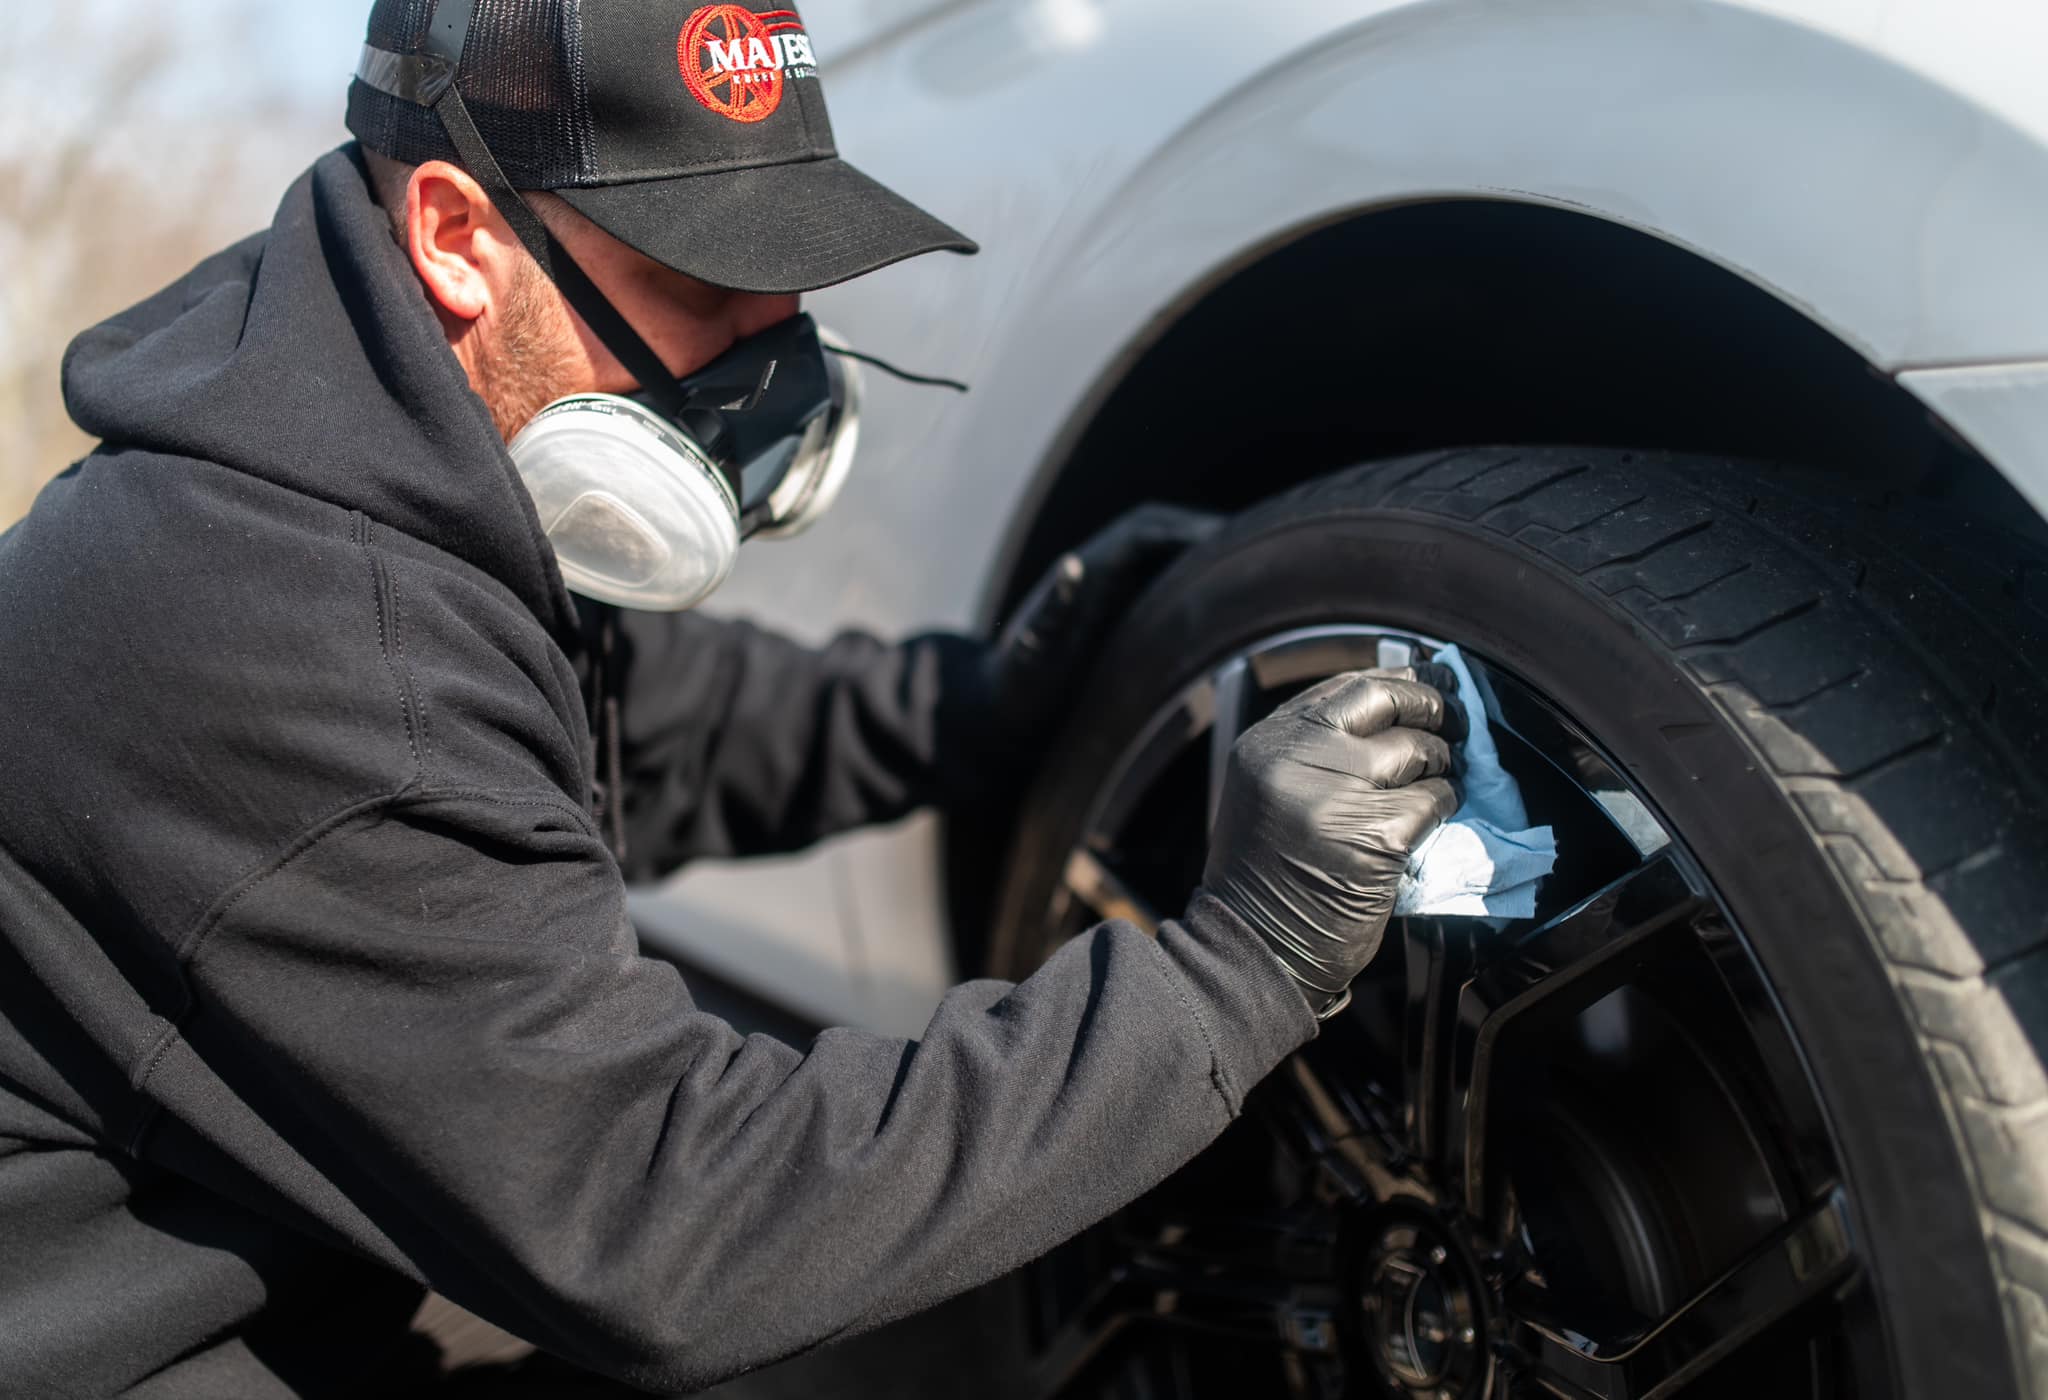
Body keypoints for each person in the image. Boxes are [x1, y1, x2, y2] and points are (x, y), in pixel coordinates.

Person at [0, 1, 1460, 1394]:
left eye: (786, 285)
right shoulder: (287, 644)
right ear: (459, 239)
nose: (764, 374)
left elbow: (648, 733)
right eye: (700, 285)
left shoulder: (359, 450)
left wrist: (977, 707)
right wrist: (1240, 970)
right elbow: (665, 1227)